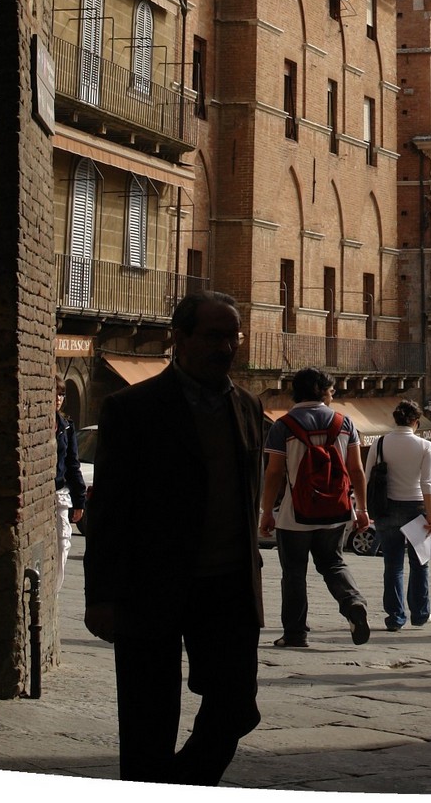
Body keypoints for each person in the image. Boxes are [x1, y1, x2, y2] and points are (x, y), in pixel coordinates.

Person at [83, 293, 265, 785]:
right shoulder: (132, 409)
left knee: (235, 709)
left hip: (227, 587)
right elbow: (109, 509)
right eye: (214, 336)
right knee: (147, 722)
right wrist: (100, 596)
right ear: (180, 339)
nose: (226, 346)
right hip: (151, 584)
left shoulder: (249, 408)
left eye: (233, 336)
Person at [259, 367, 372, 645]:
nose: (333, 395)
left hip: (293, 515)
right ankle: (353, 603)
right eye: (331, 390)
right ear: (321, 392)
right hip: (335, 512)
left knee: (294, 573)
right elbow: (356, 470)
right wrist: (362, 509)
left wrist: (266, 512)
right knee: (333, 563)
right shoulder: (344, 423)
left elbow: (273, 473)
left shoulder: (282, 426)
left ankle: (295, 634)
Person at [364, 400, 431, 632]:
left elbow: (368, 477)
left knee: (393, 566)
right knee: (420, 564)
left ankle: (395, 617)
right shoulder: (425, 445)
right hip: (416, 508)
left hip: (387, 508)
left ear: (395, 419)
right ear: (416, 421)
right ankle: (420, 614)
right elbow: (427, 483)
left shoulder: (380, 443)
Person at [54, 380, 88, 592]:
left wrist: (79, 500)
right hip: (44, 493)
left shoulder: (66, 425)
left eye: (62, 394)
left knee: (63, 544)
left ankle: (54, 591)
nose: (58, 398)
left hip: (60, 493)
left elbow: (72, 464)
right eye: (55, 393)